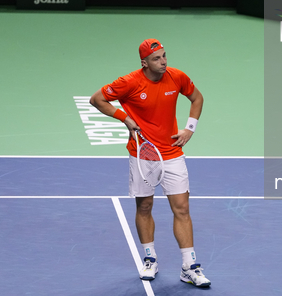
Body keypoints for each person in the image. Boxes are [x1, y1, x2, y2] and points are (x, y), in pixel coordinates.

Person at [89, 38, 210, 287]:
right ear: (144, 63)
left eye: (165, 56)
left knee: (182, 208)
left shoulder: (177, 77)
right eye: (157, 58)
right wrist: (124, 117)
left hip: (172, 152)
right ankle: (150, 259)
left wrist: (189, 129)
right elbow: (97, 99)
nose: (163, 61)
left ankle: (190, 266)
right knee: (144, 207)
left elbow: (197, 99)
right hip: (142, 154)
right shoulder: (129, 82)